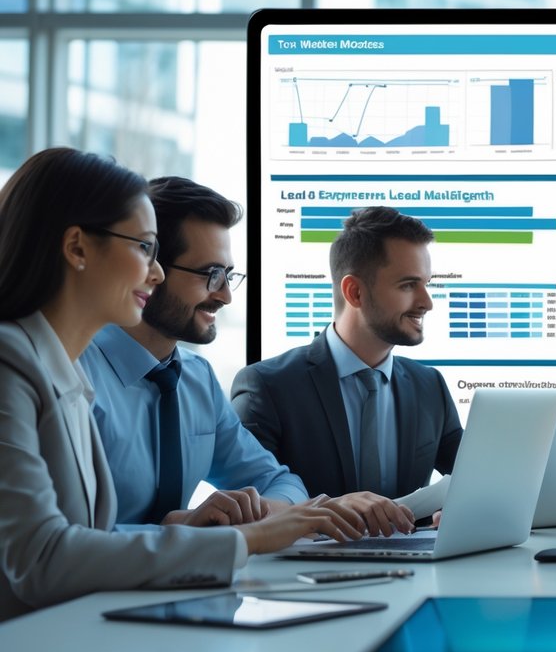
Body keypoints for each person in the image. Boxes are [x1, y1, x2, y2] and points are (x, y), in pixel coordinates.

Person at [0, 148, 361, 621]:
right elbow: (46, 557)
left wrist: (249, 522)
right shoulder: (21, 362)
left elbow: (89, 536)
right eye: (144, 248)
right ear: (78, 248)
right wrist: (238, 538)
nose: (154, 272)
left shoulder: (63, 368)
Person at [80, 176, 407, 536]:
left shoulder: (195, 379)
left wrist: (250, 512)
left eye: (228, 275)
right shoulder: (75, 375)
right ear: (151, 269)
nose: (225, 296)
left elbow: (281, 482)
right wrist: (180, 531)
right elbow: (55, 542)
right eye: (210, 274)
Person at [232, 206, 462, 506]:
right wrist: (327, 513)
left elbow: (480, 480)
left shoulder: (429, 386)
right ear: (354, 292)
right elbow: (253, 508)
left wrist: (462, 510)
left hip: (413, 553)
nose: (426, 302)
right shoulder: (267, 387)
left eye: (426, 284)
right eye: (408, 285)